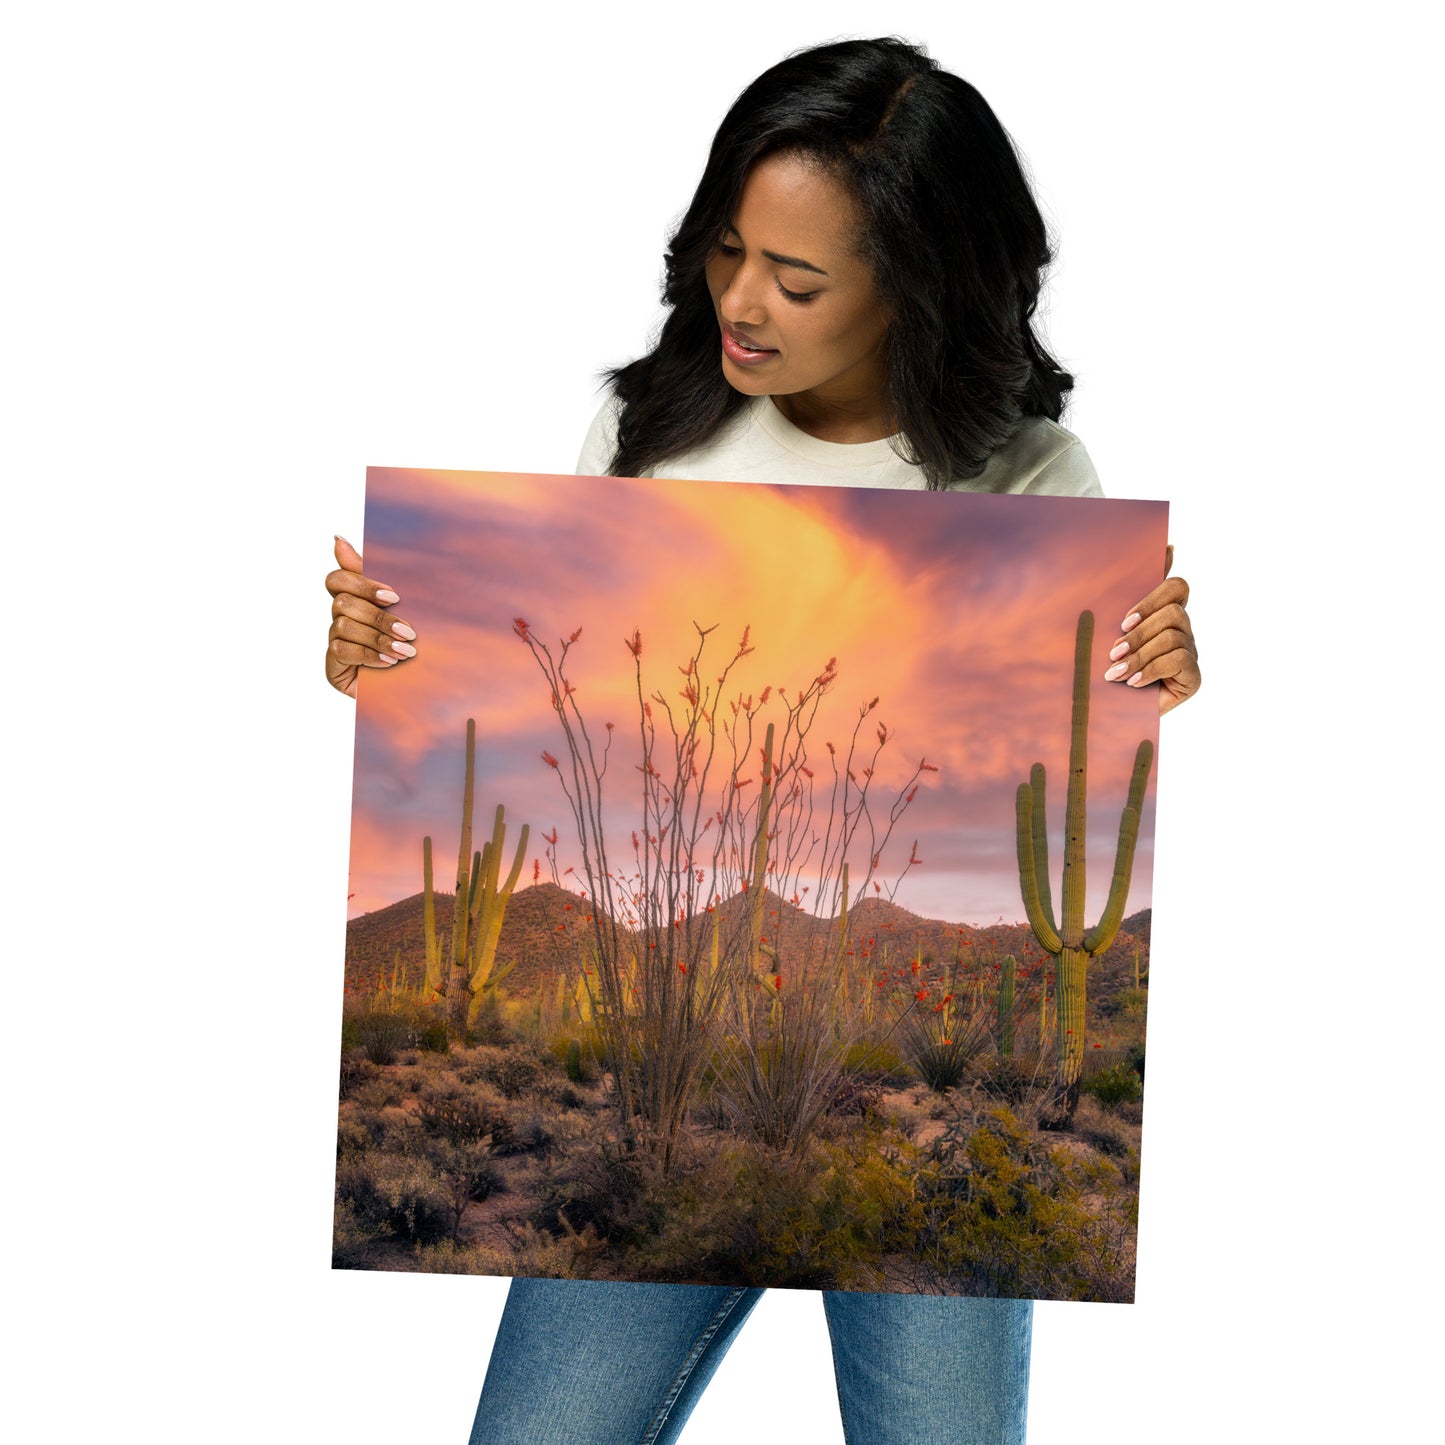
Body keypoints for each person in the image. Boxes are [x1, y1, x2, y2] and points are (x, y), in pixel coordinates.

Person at [324, 37, 1200, 1444]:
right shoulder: (645, 427)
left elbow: (1092, 727)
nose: (741, 301)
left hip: (878, 1075)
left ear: (913, 285)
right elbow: (544, 705)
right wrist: (388, 663)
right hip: (664, 1066)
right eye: (727, 251)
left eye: (795, 280)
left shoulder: (1030, 473)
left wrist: (1158, 670)